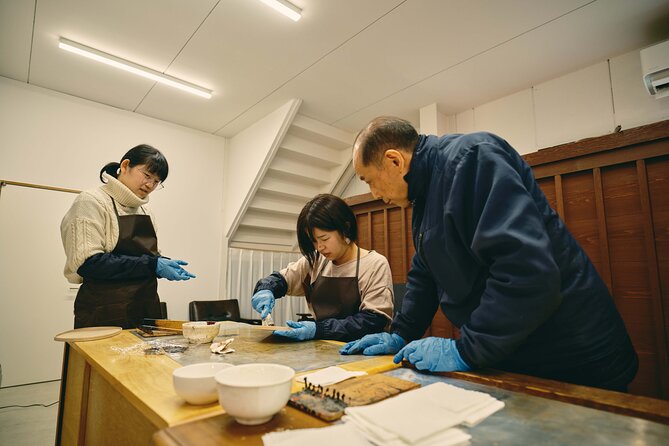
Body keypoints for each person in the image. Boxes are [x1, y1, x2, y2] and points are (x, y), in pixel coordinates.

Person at [340, 116, 638, 392]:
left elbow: (526, 271)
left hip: (572, 353)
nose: (375, 194)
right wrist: (401, 333)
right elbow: (426, 271)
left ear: (394, 161)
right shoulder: (424, 195)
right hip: (516, 350)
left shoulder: (472, 159)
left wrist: (468, 349)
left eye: (369, 181)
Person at [61, 144, 195, 329]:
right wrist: (152, 265)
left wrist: (161, 263)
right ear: (125, 166)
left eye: (157, 182)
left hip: (145, 309)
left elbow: (146, 258)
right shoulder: (91, 201)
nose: (150, 185)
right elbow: (89, 264)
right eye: (147, 175)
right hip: (104, 313)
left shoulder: (145, 210)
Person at [251, 193, 394, 342]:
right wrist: (266, 289)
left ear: (345, 228)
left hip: (361, 349)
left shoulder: (374, 264)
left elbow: (372, 322)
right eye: (314, 241)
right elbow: (282, 279)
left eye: (324, 238)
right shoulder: (317, 261)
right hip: (322, 347)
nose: (320, 247)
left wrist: (319, 329)